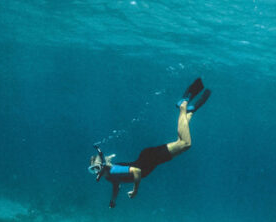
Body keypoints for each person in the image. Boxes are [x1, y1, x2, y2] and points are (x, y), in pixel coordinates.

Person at [89, 78, 211, 208]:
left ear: (102, 164)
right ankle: (188, 114)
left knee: (185, 143)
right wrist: (113, 200)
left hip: (150, 158)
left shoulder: (113, 171)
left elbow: (136, 171)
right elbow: (116, 185)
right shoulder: (109, 177)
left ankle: (183, 105)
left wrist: (136, 190)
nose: (96, 172)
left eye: (96, 168)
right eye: (93, 170)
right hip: (151, 160)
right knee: (181, 143)